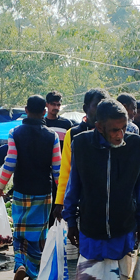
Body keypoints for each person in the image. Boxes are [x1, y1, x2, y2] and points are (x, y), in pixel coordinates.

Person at [63, 99, 140, 280]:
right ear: (98, 127)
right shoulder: (81, 145)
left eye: (123, 128)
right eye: (114, 130)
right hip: (91, 226)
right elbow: (73, 183)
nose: (120, 134)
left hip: (123, 227)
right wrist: (71, 221)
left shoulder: (136, 145)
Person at [0, 95, 61, 280]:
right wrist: (63, 196)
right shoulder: (52, 136)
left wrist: (0, 186)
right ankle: (32, 274)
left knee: (20, 232)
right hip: (44, 192)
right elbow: (57, 169)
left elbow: (10, 162)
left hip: (21, 190)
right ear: (44, 111)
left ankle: (21, 265)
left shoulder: (15, 133)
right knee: (39, 234)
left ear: (26, 109)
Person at [50, 88, 107, 223]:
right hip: (83, 201)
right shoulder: (73, 134)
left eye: (104, 105)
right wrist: (60, 202)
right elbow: (65, 171)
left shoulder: (114, 133)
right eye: (96, 106)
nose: (101, 110)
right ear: (85, 108)